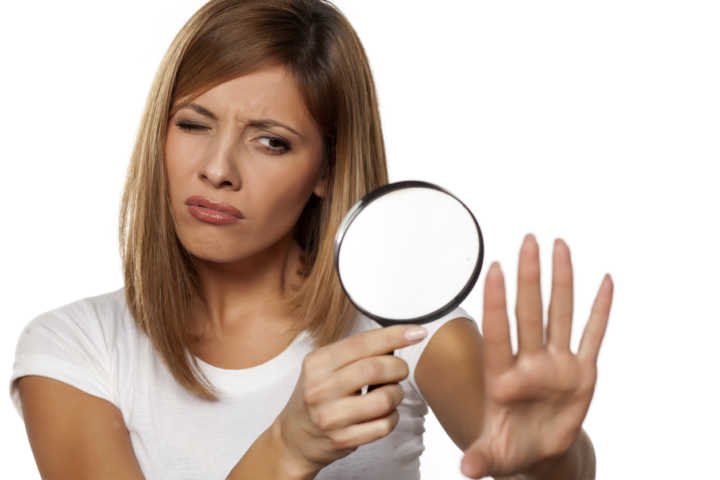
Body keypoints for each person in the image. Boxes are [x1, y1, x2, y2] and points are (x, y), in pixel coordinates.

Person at [9, 1, 613, 479]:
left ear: (327, 168)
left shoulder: (409, 334)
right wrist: (287, 447)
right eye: (193, 124)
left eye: (270, 141)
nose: (217, 169)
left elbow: (535, 458)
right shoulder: (76, 348)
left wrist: (556, 458)